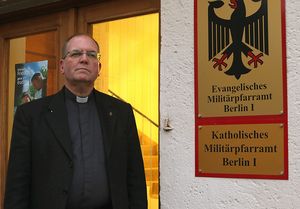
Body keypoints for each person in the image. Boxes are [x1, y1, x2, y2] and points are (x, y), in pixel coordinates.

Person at [4, 33, 147, 209]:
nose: (84, 59)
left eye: (91, 54)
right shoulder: (30, 115)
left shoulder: (121, 112)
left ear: (99, 67)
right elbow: (17, 183)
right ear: (62, 66)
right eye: (76, 53)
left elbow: (135, 179)